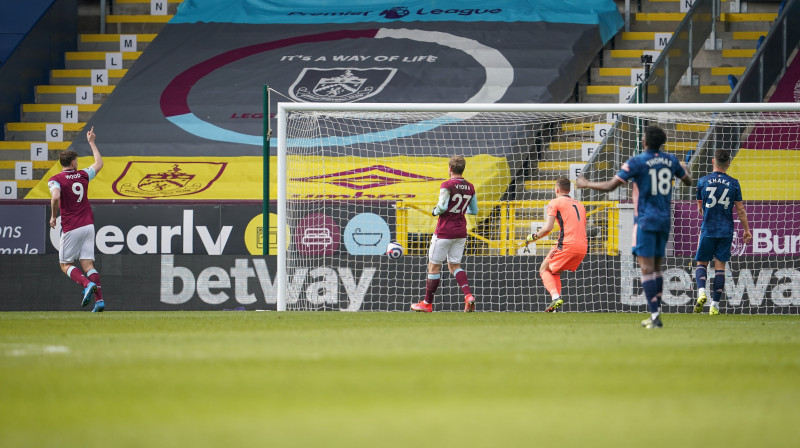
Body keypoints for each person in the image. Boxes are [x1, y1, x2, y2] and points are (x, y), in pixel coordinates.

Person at [576, 125, 691, 329]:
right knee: (656, 267)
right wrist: (685, 167)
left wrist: (586, 184)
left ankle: (655, 316)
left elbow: (611, 185)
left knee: (646, 267)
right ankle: (655, 314)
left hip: (645, 220)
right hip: (664, 220)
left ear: (645, 141)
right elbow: (688, 181)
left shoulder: (636, 162)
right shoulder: (671, 160)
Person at [48, 126, 105, 312]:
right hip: (88, 225)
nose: (78, 164)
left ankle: (86, 285)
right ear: (73, 162)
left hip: (72, 226)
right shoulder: (83, 175)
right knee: (88, 264)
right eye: (77, 161)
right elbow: (99, 163)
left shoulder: (55, 179)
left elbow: (55, 197)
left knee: (65, 265)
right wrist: (92, 142)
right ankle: (99, 301)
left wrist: (53, 216)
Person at [411, 155, 478, 313]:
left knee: (433, 266)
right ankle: (468, 296)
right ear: (463, 169)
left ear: (449, 169)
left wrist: (435, 212)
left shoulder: (447, 184)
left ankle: (427, 303)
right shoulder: (470, 187)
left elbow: (441, 207)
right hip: (461, 231)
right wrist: (460, 209)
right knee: (454, 265)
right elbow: (474, 210)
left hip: (444, 231)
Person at [693, 149, 752, 315]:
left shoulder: (702, 181)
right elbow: (740, 210)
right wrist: (746, 230)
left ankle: (701, 292)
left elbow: (700, 208)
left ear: (713, 161)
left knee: (701, 263)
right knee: (720, 268)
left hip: (708, 228)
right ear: (728, 163)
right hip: (726, 230)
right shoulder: (734, 183)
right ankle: (714, 305)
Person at [525, 177, 587, 312]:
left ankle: (555, 298)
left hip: (566, 244)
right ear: (569, 190)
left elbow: (548, 228)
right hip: (583, 246)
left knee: (544, 269)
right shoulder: (580, 205)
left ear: (557, 190)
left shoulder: (555, 202)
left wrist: (533, 237)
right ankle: (555, 305)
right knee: (555, 272)